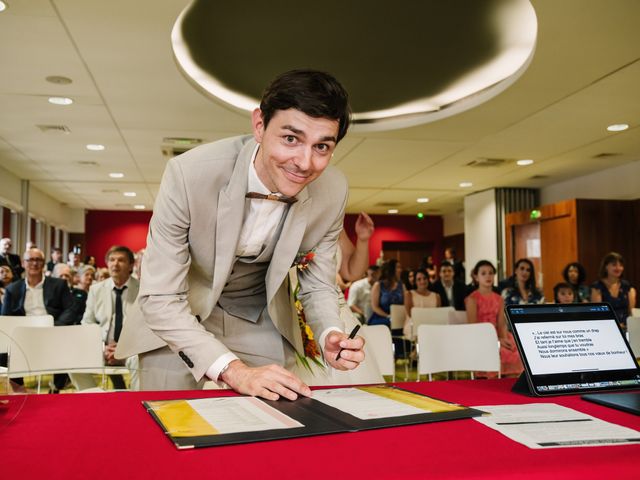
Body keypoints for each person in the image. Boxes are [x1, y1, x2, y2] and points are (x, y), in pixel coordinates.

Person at [115, 70, 364, 399]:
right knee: (167, 420)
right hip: (176, 315)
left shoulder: (332, 191)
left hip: (258, 317)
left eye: (322, 146)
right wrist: (233, 371)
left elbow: (317, 284)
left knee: (275, 417)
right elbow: (160, 297)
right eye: (291, 138)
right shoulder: (189, 174)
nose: (305, 163)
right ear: (259, 125)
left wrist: (329, 332)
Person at [1, 248, 75, 391]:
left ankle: (57, 387)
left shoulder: (58, 285)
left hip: (52, 332)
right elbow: (6, 317)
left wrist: (55, 325)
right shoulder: (13, 289)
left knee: (65, 343)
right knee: (5, 351)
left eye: (38, 260)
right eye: (30, 260)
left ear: (43, 263)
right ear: (23, 263)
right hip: (24, 336)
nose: (34, 263)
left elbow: (70, 309)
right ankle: (18, 388)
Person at [75, 246, 140, 390]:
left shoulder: (142, 289)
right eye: (111, 260)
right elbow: (87, 322)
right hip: (103, 347)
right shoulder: (96, 289)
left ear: (131, 265)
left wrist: (125, 349)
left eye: (121, 260)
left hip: (132, 350)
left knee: (139, 361)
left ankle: (136, 400)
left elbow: (146, 327)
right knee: (72, 358)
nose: (115, 264)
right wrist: (102, 347)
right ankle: (92, 396)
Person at [465, 260, 522, 377]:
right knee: (500, 352)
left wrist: (503, 338)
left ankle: (510, 383)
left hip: (498, 335)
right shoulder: (472, 299)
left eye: (491, 273)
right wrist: (494, 340)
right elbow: (473, 327)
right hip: (480, 337)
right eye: (483, 273)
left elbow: (501, 323)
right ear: (476, 277)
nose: (488, 276)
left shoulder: (499, 299)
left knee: (517, 350)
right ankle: (494, 383)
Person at [590, 252, 636, 331]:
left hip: (626, 328)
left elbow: (631, 313)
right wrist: (616, 325)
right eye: (614, 265)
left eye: (620, 265)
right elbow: (598, 314)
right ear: (606, 266)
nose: (618, 268)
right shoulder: (597, 287)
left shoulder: (628, 287)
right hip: (606, 328)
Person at [403, 269, 441, 339]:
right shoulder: (409, 294)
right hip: (414, 324)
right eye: (419, 279)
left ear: (428, 280)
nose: (422, 281)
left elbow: (437, 315)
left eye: (424, 278)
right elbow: (410, 314)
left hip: (431, 324)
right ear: (415, 282)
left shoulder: (436, 296)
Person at [368, 259, 404, 328]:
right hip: (381, 317)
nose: (401, 270)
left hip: (398, 317)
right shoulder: (378, 285)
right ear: (391, 269)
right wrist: (388, 316)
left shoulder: (402, 285)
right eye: (398, 267)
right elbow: (375, 307)